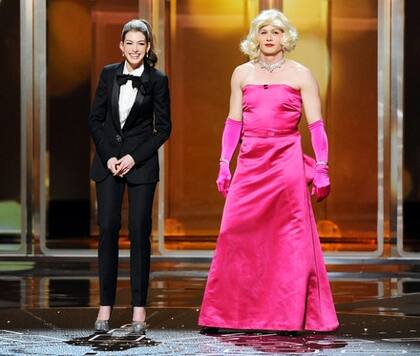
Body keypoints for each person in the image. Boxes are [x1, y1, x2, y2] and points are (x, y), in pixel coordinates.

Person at [199, 9, 338, 332]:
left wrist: (322, 167)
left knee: (287, 238)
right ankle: (228, 315)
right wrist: (224, 162)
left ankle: (285, 315)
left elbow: (316, 125)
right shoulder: (241, 73)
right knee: (234, 233)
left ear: (285, 37)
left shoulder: (302, 74)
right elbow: (233, 122)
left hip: (286, 160)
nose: (270, 38)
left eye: (276, 32)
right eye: (264, 32)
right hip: (250, 161)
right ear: (255, 37)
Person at [88, 19, 171, 334]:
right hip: (108, 163)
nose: (135, 49)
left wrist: (133, 158)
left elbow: (163, 128)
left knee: (139, 232)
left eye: (141, 43)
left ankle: (139, 311)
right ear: (121, 46)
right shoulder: (109, 74)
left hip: (141, 165)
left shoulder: (158, 80)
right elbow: (95, 119)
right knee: (108, 229)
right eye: (130, 43)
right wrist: (110, 155)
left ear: (148, 47)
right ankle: (104, 308)